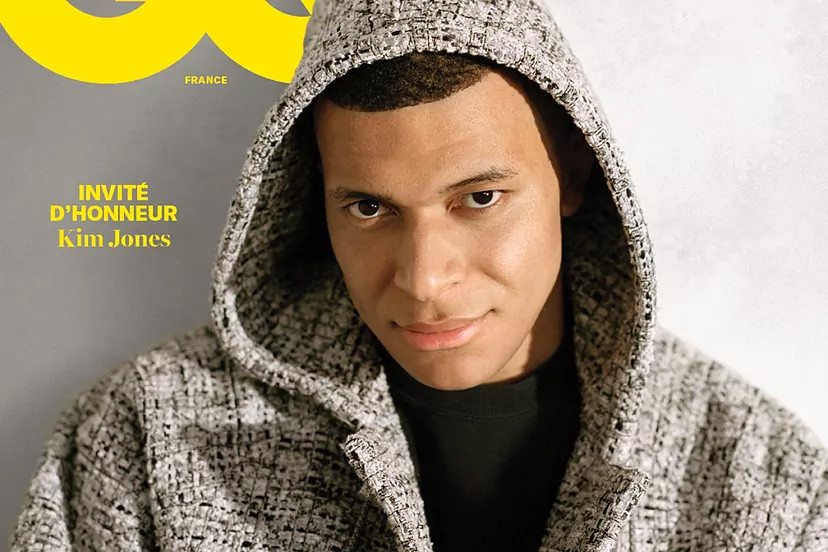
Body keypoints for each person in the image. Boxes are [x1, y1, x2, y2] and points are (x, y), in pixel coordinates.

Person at [9, 0, 827, 551]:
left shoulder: (760, 480)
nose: (424, 279)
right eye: (369, 208)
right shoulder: (143, 437)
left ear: (573, 176)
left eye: (480, 198)